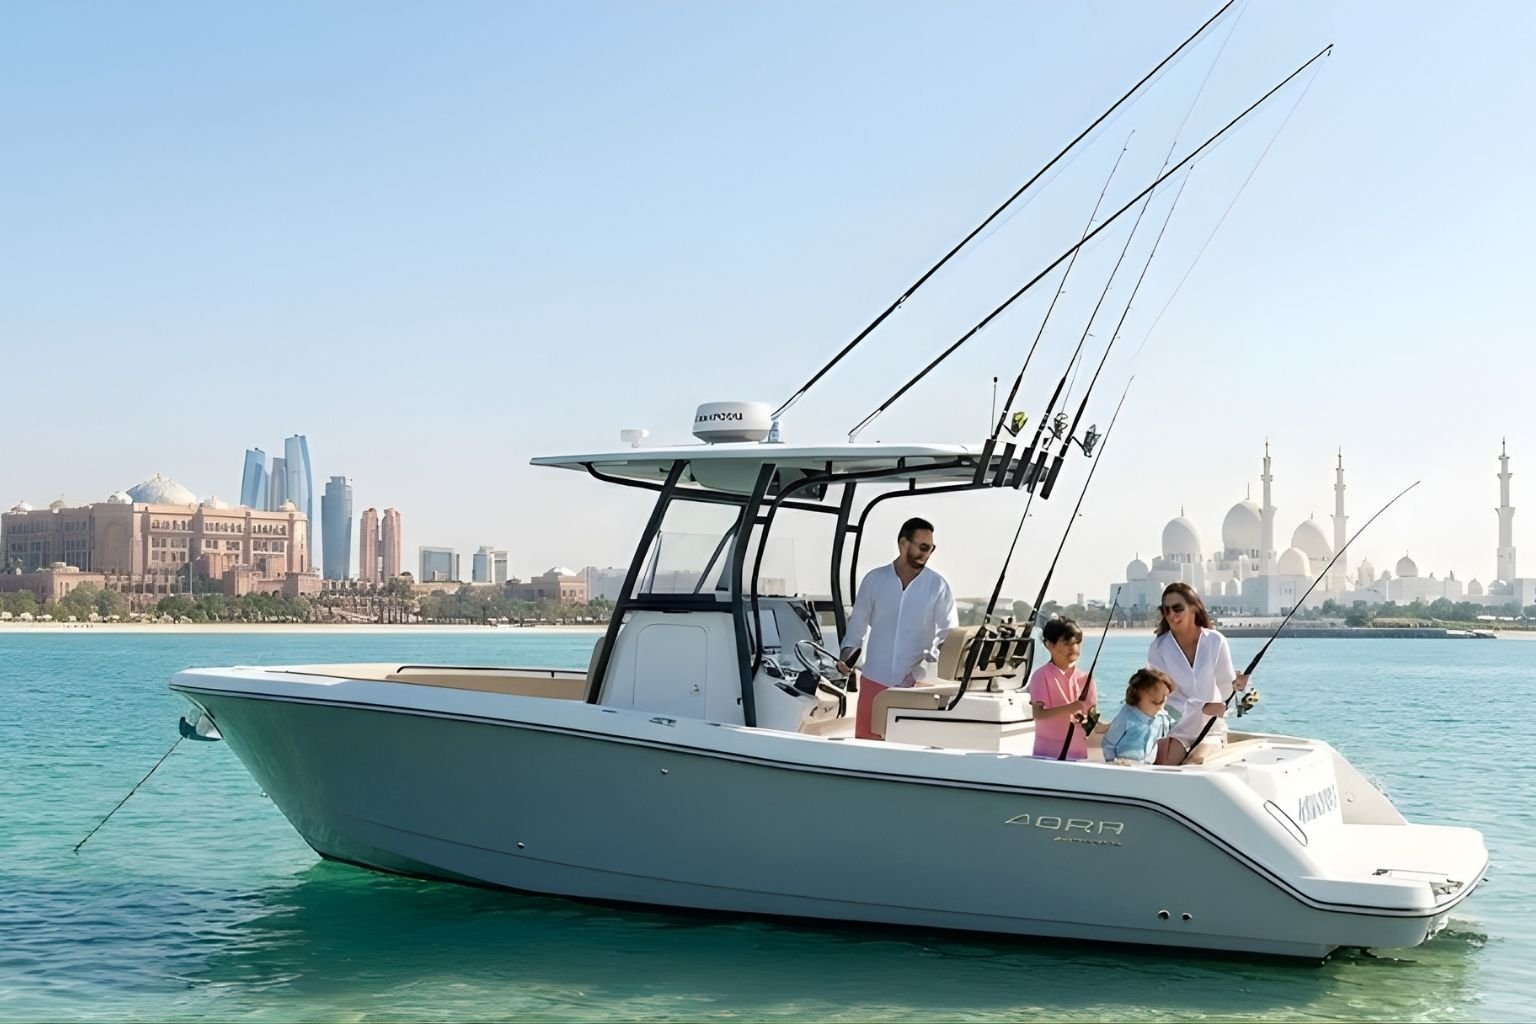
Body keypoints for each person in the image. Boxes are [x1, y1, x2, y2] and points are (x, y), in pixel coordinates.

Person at [839, 517, 959, 740]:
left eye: (931, 549)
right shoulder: (874, 579)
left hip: (917, 687)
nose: (927, 554)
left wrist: (929, 669)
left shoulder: (938, 586)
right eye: (923, 547)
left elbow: (949, 636)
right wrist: (846, 657)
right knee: (867, 750)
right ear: (903, 543)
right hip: (874, 680)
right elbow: (856, 629)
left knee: (909, 752)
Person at [1146, 582, 1248, 765]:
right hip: (1176, 729)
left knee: (1196, 762)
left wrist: (1237, 685)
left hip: (1211, 730)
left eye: (1177, 608)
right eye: (1165, 610)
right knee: (1164, 767)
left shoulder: (1216, 642)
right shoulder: (1158, 648)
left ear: (1194, 607)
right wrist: (1201, 707)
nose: (1171, 615)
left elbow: (1226, 694)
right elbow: (1163, 700)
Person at [1027, 617, 1098, 760]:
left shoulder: (1087, 679)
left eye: (1077, 643)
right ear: (1049, 645)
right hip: (1047, 755)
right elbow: (1038, 714)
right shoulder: (1041, 676)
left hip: (1078, 754)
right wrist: (1071, 708)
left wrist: (1090, 721)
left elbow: (1091, 719)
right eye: (1067, 643)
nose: (1074, 648)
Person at [1101, 667, 1174, 765]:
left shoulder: (1163, 717)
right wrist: (1112, 762)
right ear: (1137, 698)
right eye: (1155, 702)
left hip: (1147, 766)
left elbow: (1176, 732)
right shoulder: (1127, 715)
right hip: (1124, 764)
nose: (1161, 706)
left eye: (1165, 699)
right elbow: (1109, 742)